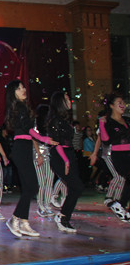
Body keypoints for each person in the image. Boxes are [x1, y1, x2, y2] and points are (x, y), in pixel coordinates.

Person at [4, 80, 54, 238]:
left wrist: (38, 150)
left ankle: (24, 222)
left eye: (23, 87)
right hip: (20, 148)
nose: (23, 90)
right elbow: (29, 130)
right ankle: (14, 219)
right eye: (19, 88)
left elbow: (30, 131)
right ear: (13, 93)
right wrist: (44, 139)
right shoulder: (19, 107)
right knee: (32, 186)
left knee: (28, 187)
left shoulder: (23, 107)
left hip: (25, 147)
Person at [46, 92, 84, 232]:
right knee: (77, 187)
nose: (70, 101)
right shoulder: (55, 120)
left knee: (75, 188)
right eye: (67, 99)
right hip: (60, 156)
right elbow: (56, 143)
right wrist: (66, 160)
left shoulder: (65, 119)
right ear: (60, 102)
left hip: (69, 154)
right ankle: (63, 217)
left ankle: (64, 217)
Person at [99, 93, 130, 221]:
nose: (123, 105)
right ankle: (120, 205)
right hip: (120, 156)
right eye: (119, 103)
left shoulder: (127, 120)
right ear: (111, 106)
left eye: (123, 102)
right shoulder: (109, 122)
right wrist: (101, 125)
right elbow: (106, 141)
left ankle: (121, 206)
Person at [33, 104, 56, 217]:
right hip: (38, 154)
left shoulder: (50, 125)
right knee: (42, 182)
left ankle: (47, 204)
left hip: (49, 154)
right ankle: (40, 205)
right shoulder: (35, 124)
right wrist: (38, 154)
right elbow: (34, 140)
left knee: (50, 180)